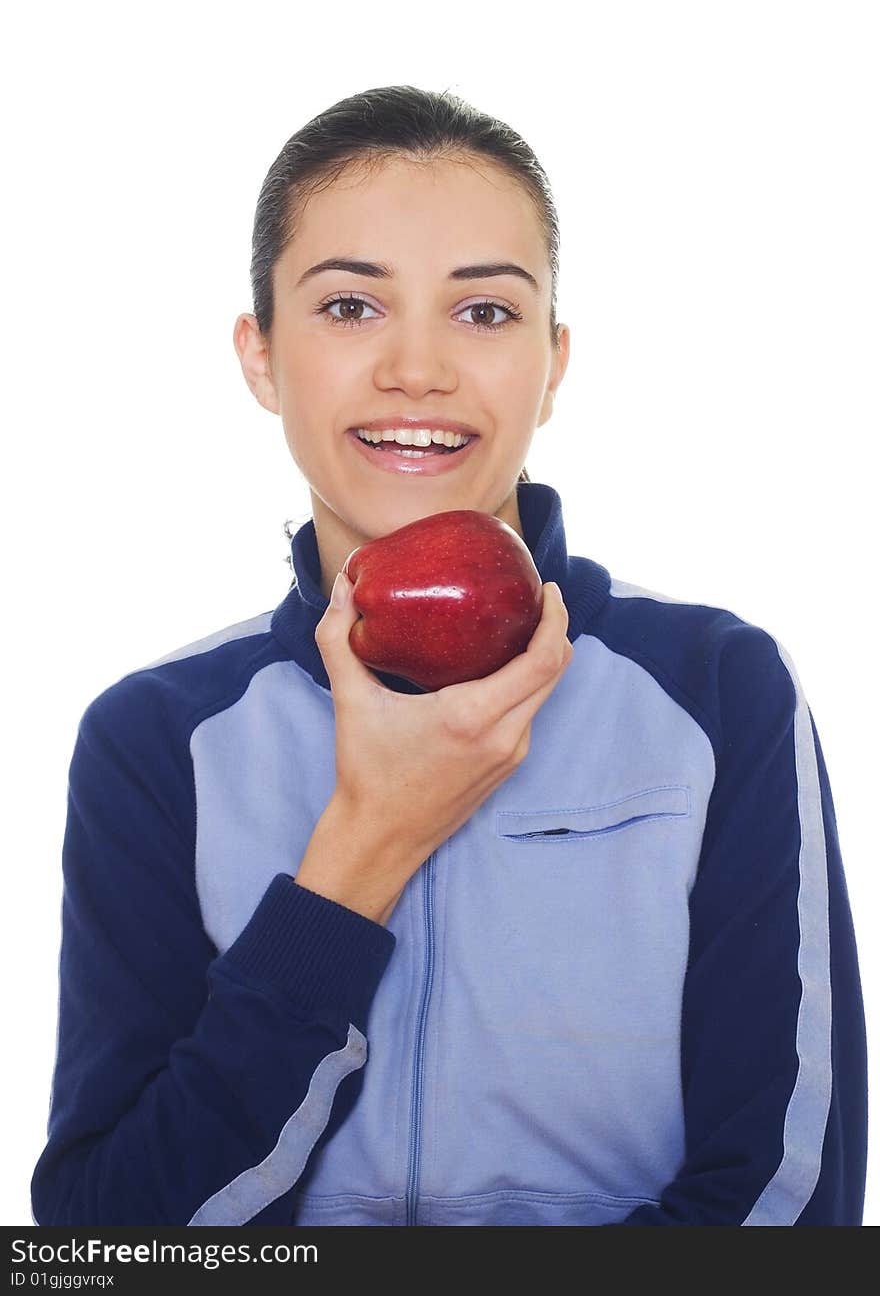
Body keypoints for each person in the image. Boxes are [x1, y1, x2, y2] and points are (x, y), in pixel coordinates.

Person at [31, 85, 867, 1227]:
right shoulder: (152, 740)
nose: (416, 370)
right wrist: (360, 854)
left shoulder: (719, 693)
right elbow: (105, 1234)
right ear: (260, 355)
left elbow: (788, 1200)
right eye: (347, 307)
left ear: (553, 362)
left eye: (483, 313)